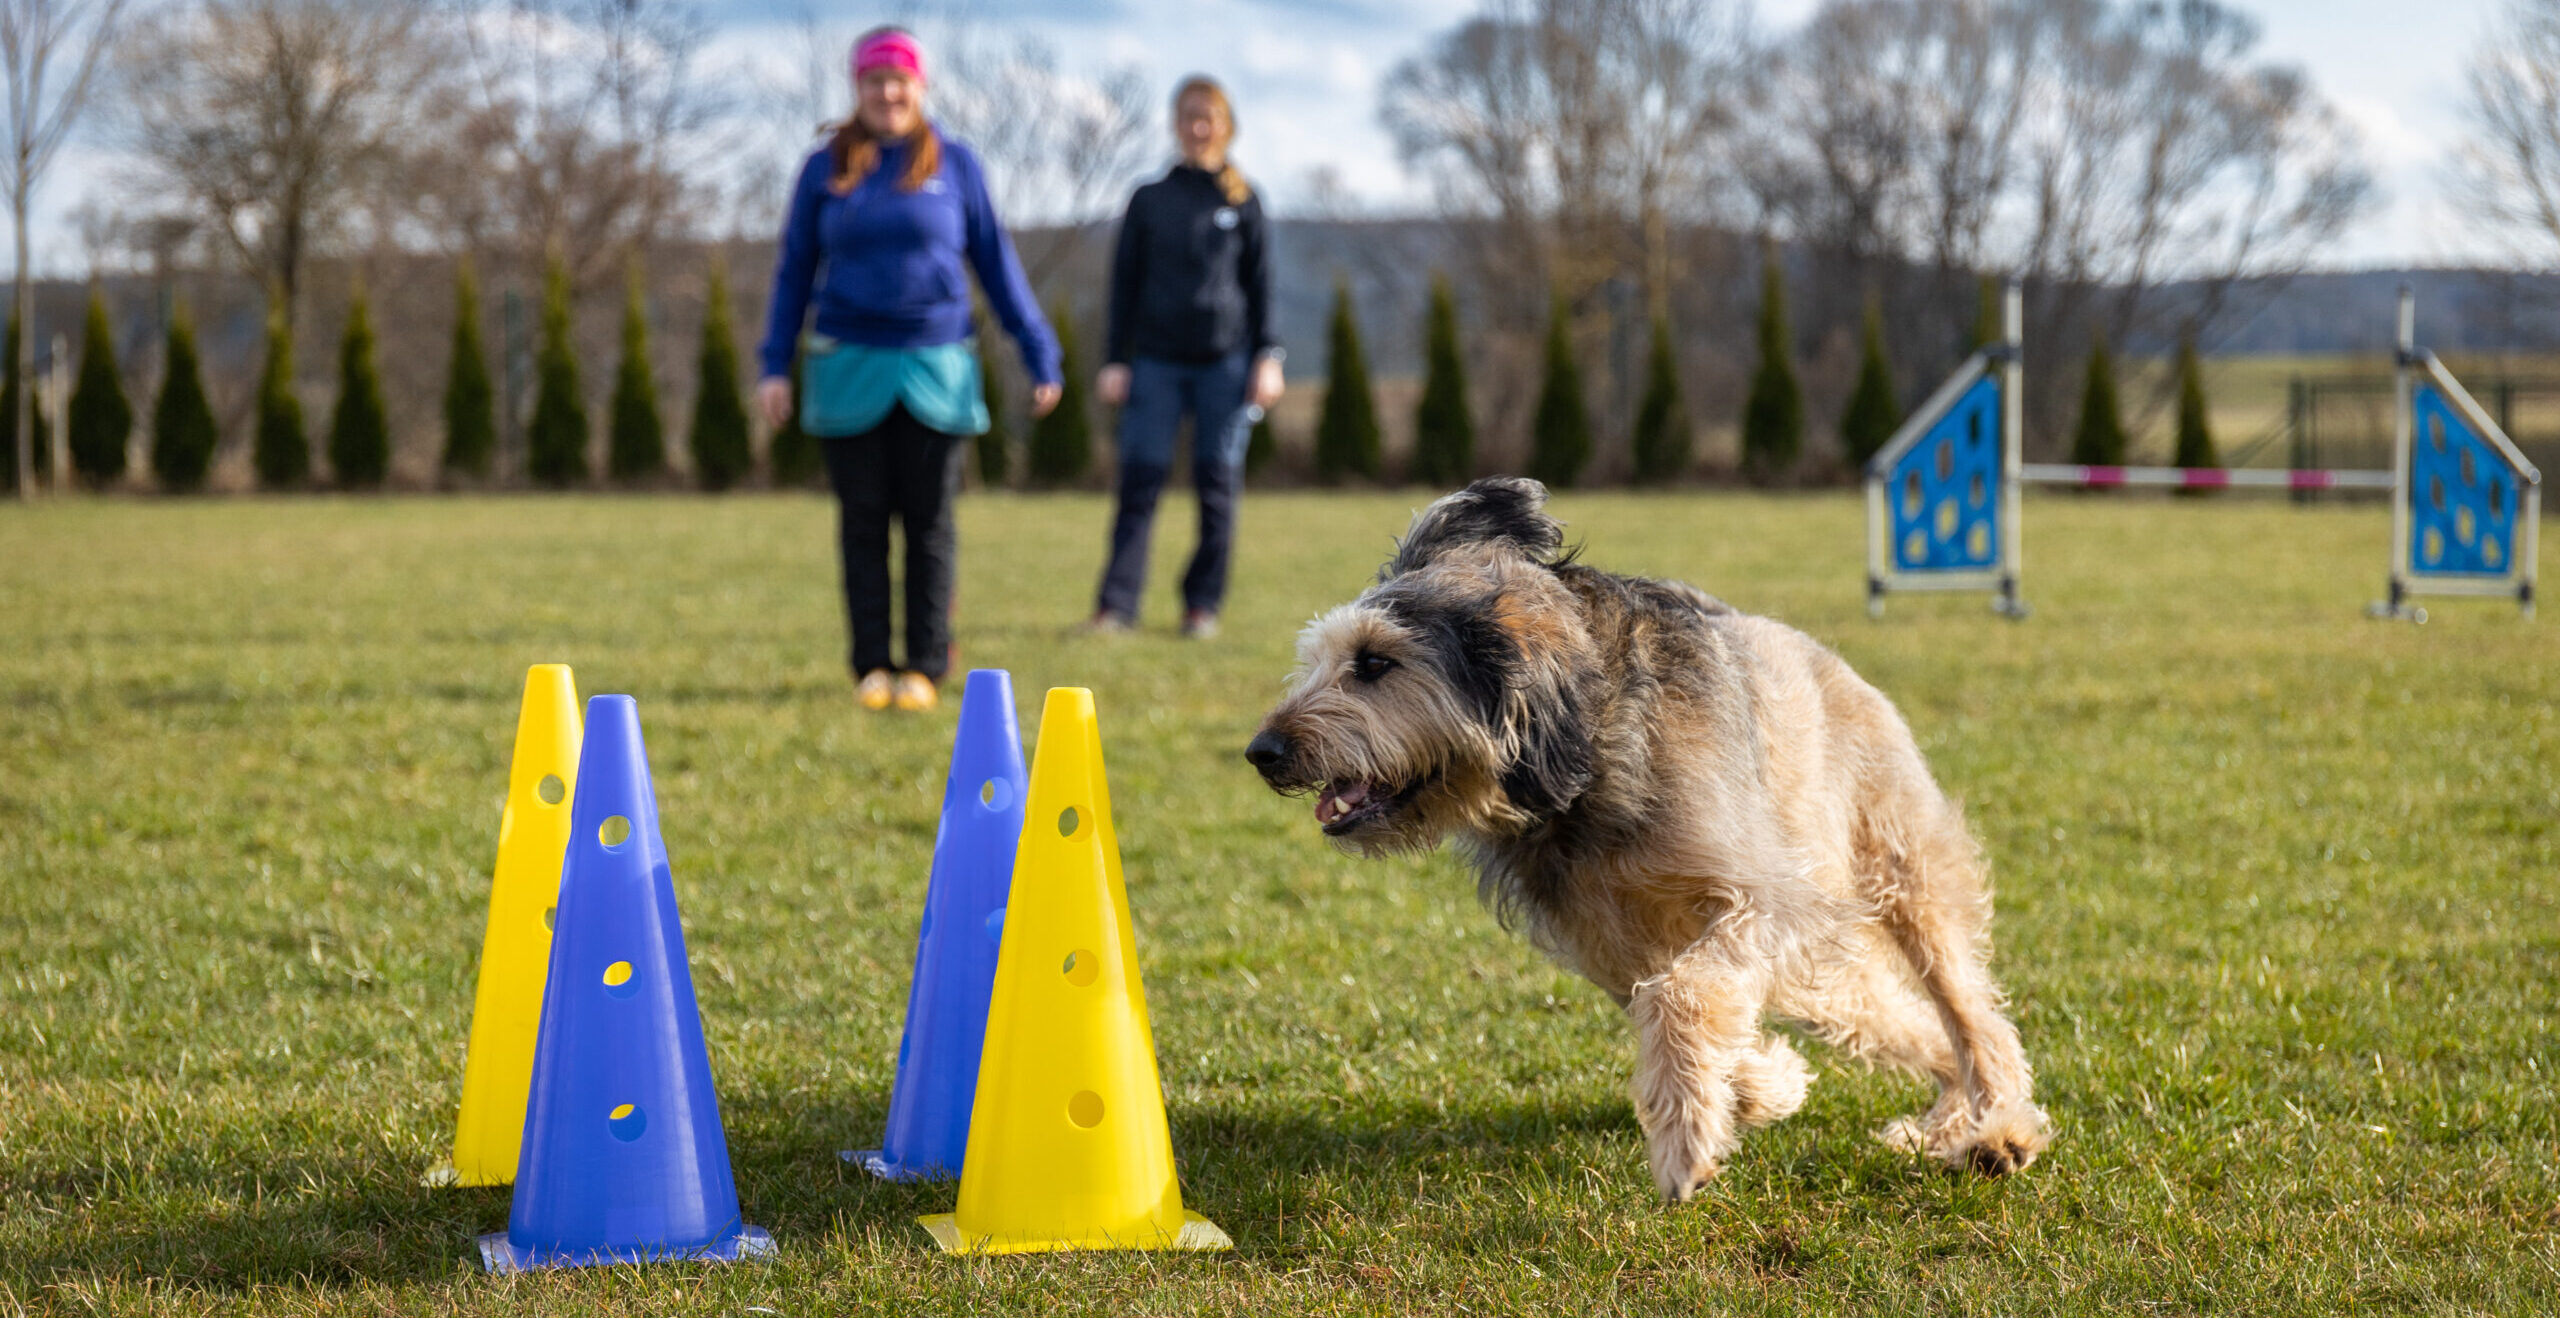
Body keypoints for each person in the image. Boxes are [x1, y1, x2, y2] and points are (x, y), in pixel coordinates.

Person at [758, 26, 1060, 712]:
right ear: (857, 89)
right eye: (874, 81)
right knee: (861, 524)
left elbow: (996, 264)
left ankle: (924, 666)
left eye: (900, 81)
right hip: (846, 365)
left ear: (920, 88)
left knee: (930, 525)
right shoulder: (823, 167)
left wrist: (1038, 348)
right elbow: (793, 272)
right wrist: (774, 363)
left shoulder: (956, 164)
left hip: (936, 367)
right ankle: (871, 666)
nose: (888, 93)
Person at [1089, 75, 1284, 640]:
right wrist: (1114, 359)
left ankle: (1202, 607)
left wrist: (1267, 357)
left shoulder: (1244, 201)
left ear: (1225, 125)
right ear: (1176, 124)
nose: (1199, 127)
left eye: (1210, 117)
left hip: (1225, 366)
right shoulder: (1148, 199)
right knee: (1139, 485)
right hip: (1154, 364)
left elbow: (1263, 289)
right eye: (1189, 116)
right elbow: (1123, 286)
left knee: (1217, 490)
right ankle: (1116, 608)